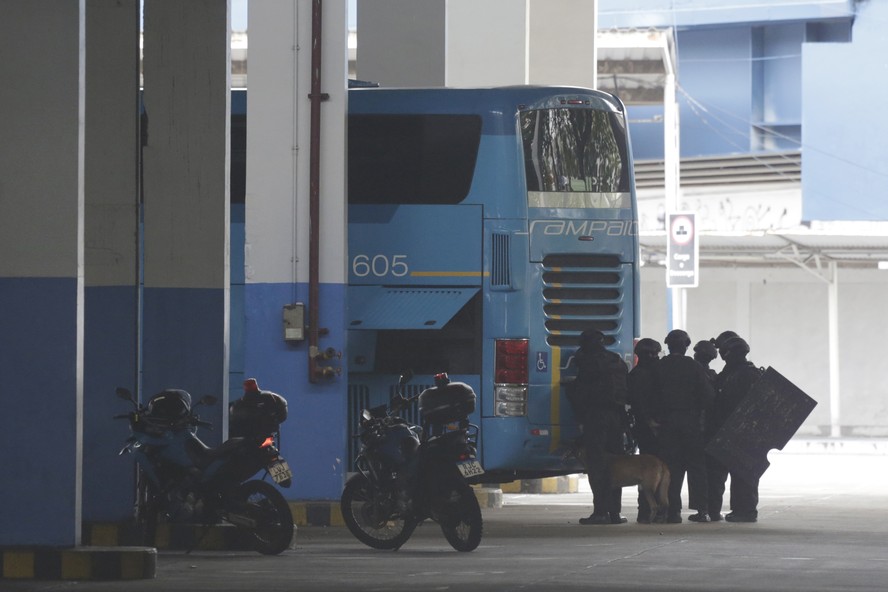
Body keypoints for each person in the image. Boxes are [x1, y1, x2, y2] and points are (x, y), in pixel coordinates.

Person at [568, 329, 630, 525]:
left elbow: (580, 392)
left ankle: (600, 512)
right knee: (616, 464)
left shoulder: (587, 362)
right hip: (617, 417)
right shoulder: (616, 360)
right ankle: (615, 513)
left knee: (597, 465)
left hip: (596, 417)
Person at [657, 329, 715, 523]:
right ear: (687, 346)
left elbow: (650, 394)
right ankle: (702, 510)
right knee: (697, 467)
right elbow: (708, 396)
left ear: (667, 345)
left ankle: (673, 512)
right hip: (691, 423)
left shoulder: (660, 367)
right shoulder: (694, 367)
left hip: (667, 423)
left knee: (671, 467)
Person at [706, 335, 763, 522]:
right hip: (743, 432)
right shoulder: (746, 372)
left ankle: (744, 511)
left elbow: (722, 401)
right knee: (742, 474)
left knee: (738, 474)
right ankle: (743, 509)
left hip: (736, 431)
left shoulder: (739, 374)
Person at [627, 337, 663, 523]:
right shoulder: (659, 373)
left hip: (644, 428)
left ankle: (646, 511)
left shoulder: (635, 375)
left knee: (646, 471)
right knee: (660, 470)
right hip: (656, 428)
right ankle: (660, 510)